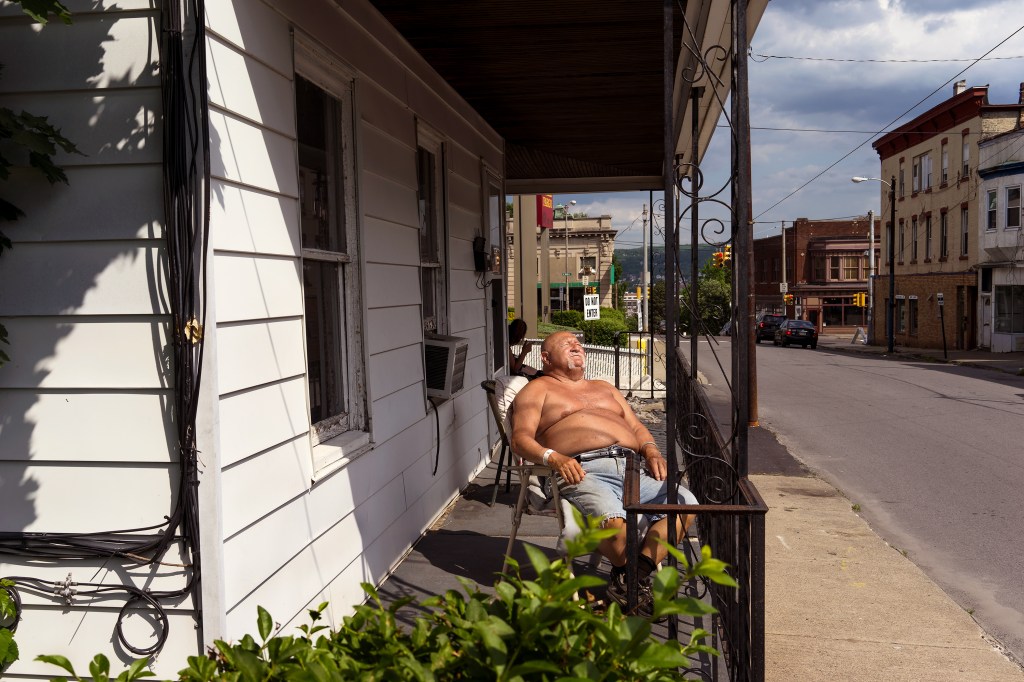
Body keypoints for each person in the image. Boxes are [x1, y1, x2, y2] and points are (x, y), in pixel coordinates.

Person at [510, 331, 696, 617]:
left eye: (578, 343)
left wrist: (652, 451)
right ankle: (635, 584)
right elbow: (520, 439)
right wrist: (554, 458)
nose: (576, 346)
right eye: (566, 344)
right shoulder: (537, 390)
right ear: (545, 358)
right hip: (583, 469)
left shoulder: (604, 387)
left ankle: (630, 580)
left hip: (632, 467)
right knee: (611, 520)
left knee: (684, 503)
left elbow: (636, 428)